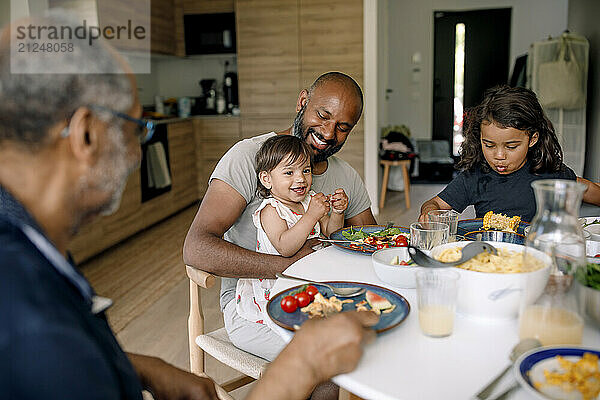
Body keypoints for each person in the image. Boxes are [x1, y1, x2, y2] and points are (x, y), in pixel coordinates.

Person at [0, 16, 378, 400]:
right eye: (136, 128)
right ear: (85, 135)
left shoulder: (29, 249)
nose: (136, 152)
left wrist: (144, 368)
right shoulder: (28, 315)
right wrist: (303, 362)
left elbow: (74, 358)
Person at [184, 71, 377, 366]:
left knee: (382, 344)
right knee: (336, 360)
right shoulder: (250, 157)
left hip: (318, 298)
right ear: (303, 102)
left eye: (342, 127)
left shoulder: (345, 175)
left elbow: (371, 241)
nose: (328, 133)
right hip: (255, 306)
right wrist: (290, 267)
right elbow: (197, 247)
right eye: (323, 116)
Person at [419, 85, 600, 222]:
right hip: (493, 257)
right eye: (489, 145)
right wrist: (428, 213)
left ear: (533, 139)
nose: (499, 155)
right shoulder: (475, 177)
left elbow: (591, 190)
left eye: (511, 146)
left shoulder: (551, 174)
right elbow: (435, 204)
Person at [236, 135, 348, 324]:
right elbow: (285, 247)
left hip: (308, 274)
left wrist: (337, 212)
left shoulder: (308, 201)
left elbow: (331, 233)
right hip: (279, 283)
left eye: (306, 170)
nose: (301, 179)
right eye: (289, 173)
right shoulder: (271, 210)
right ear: (266, 179)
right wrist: (311, 215)